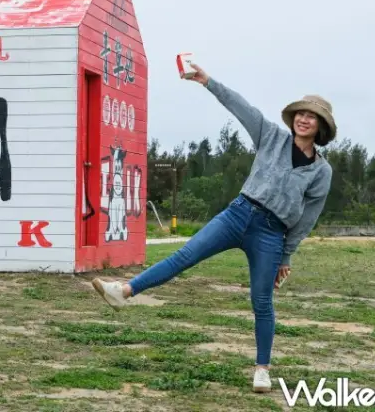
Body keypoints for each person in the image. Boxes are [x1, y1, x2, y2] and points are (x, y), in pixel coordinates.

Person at [90, 61, 336, 393]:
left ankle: (262, 369)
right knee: (183, 256)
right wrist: (207, 81)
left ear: (320, 127)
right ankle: (124, 292)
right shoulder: (271, 136)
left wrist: (286, 256)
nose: (303, 119)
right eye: (300, 113)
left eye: (311, 116)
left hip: (271, 232)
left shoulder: (321, 172)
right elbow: (241, 107)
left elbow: (308, 218)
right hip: (238, 213)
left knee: (261, 300)